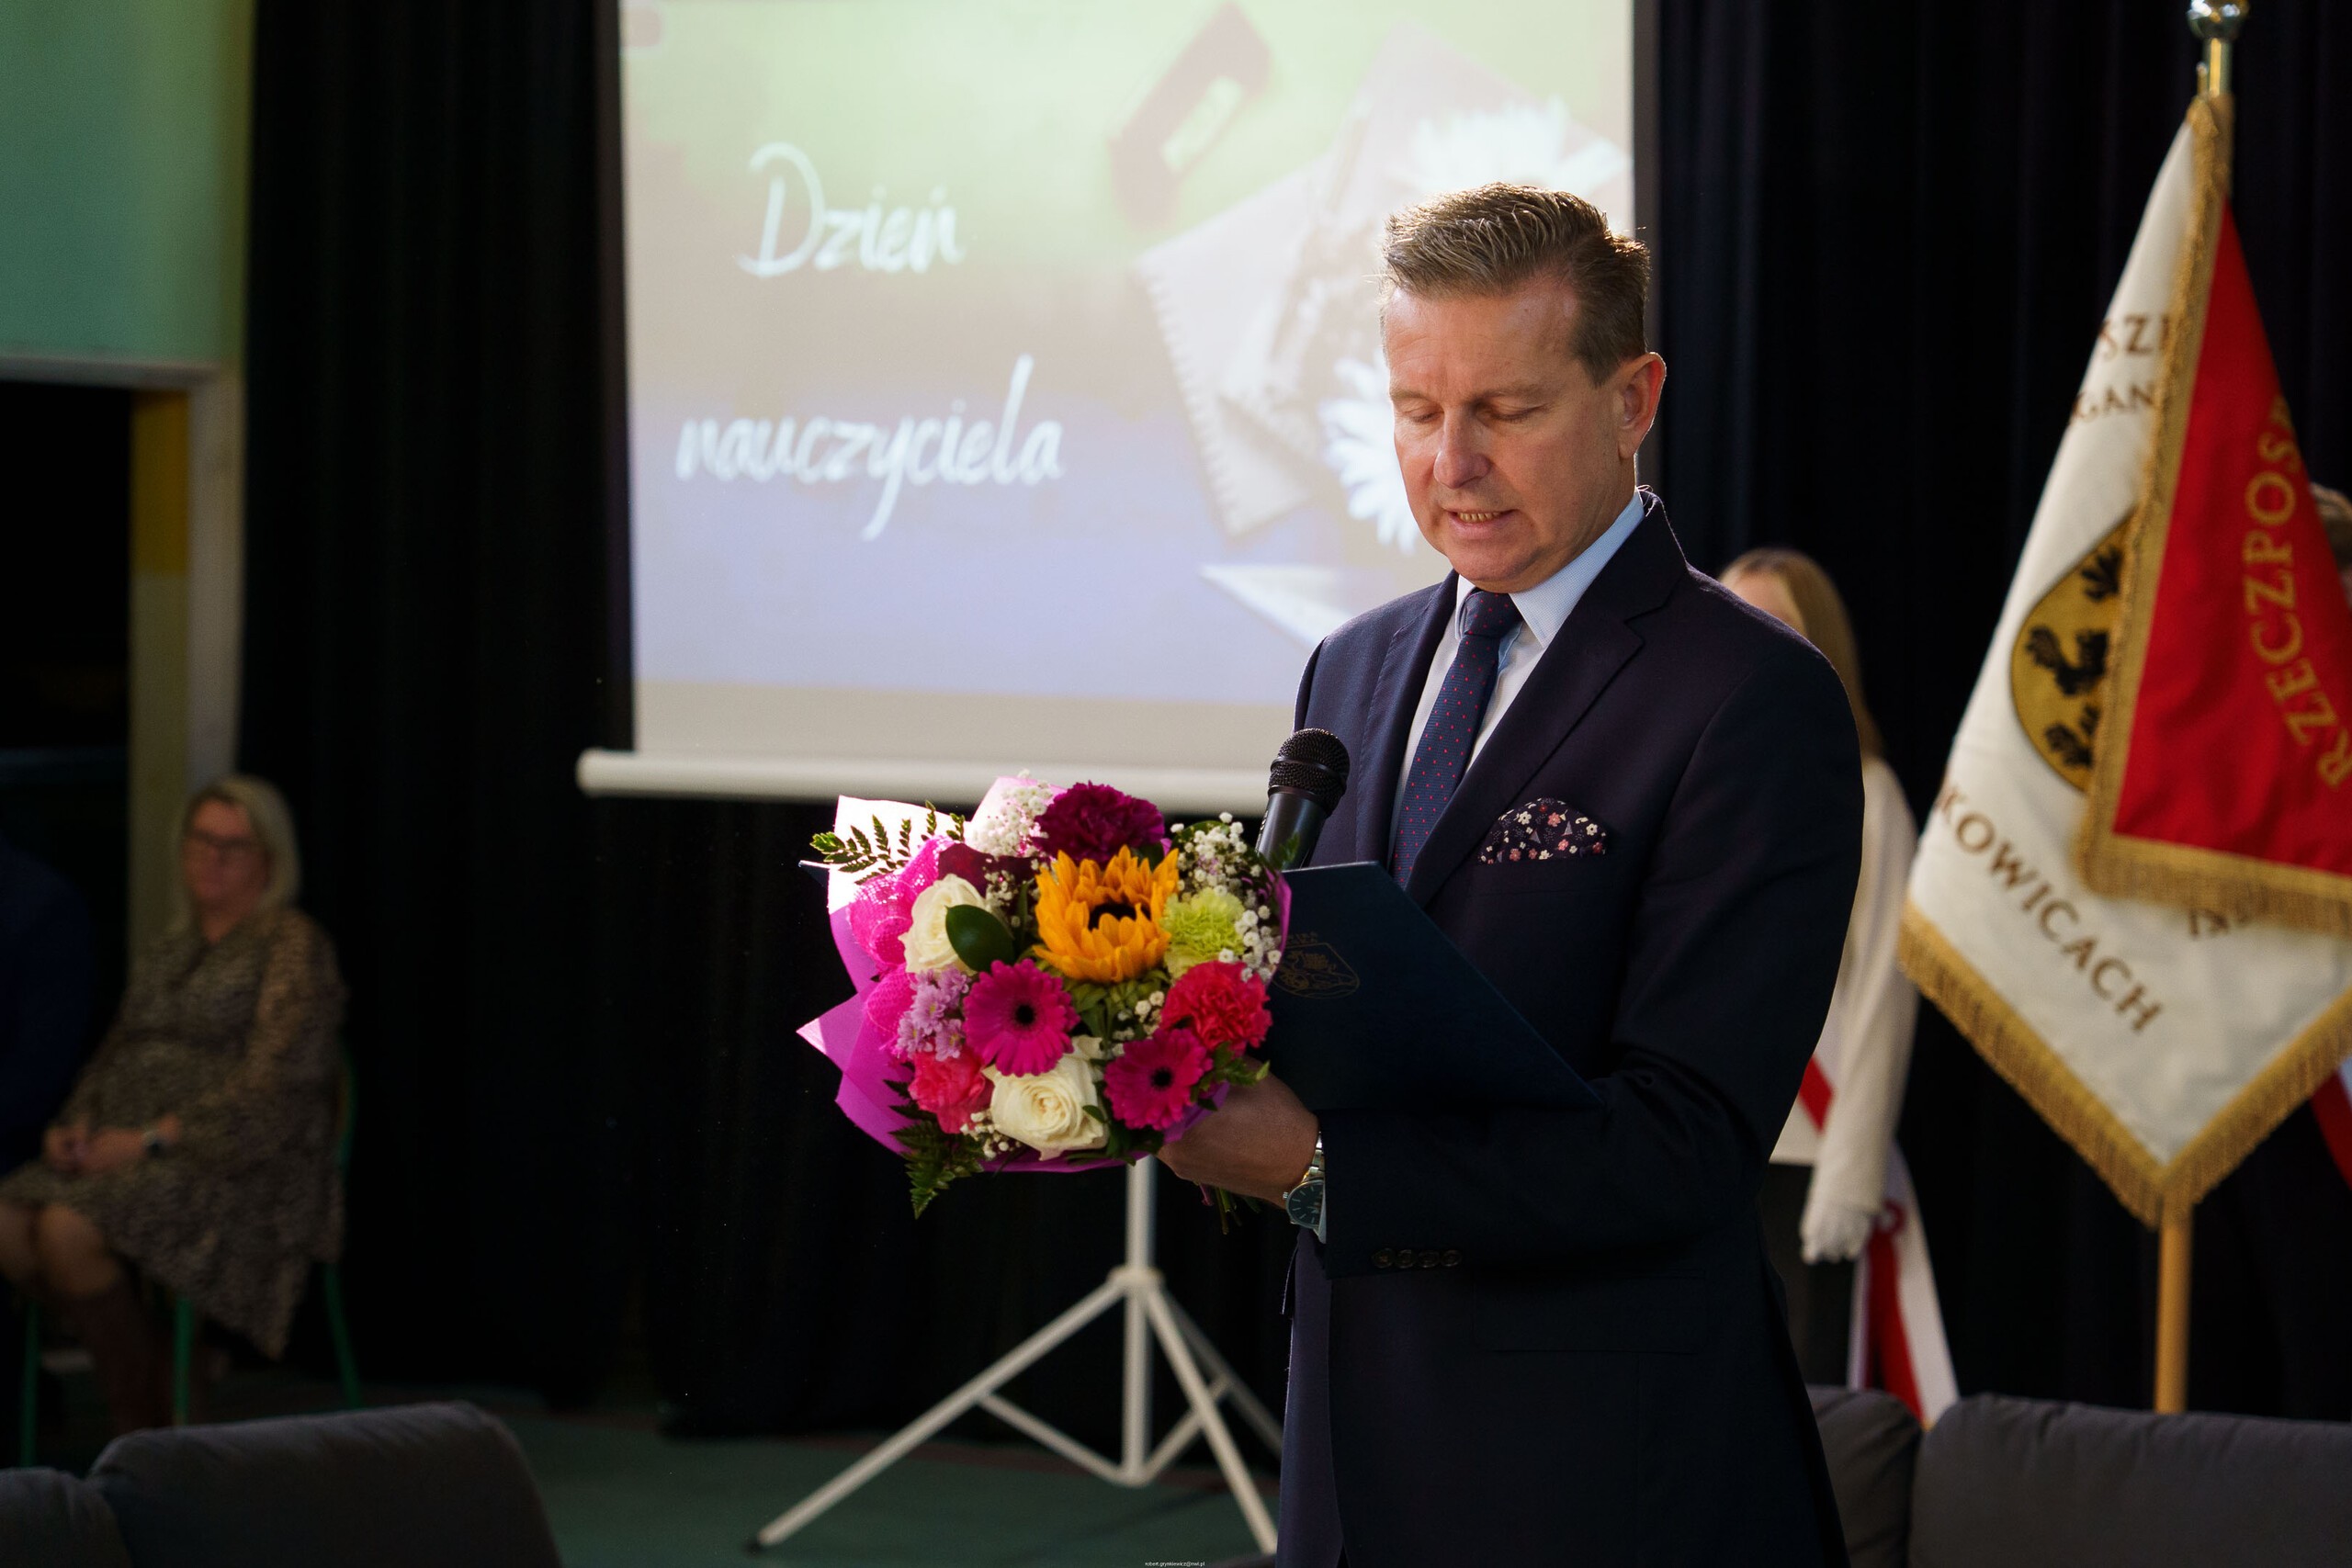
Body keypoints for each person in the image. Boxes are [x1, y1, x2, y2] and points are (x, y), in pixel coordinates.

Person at [1159, 184, 1861, 1565]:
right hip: (1350, 1457)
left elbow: (1681, 1143)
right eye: (1416, 410)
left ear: (1633, 398)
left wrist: (1316, 1163)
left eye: (1507, 410)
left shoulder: (1751, 696)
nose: (1453, 463)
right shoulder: (1349, 664)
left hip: (1603, 1475)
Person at [0, 776, 345, 1432]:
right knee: (7, 1224)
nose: (212, 858)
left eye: (233, 846)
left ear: (270, 860)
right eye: (201, 840)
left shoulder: (291, 945)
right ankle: (164, 1368)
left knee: (66, 1231)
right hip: (131, 1150)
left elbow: (275, 1086)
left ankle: (141, 1421)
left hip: (234, 1161)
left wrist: (150, 1140)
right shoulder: (170, 949)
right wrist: (73, 1127)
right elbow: (115, 1056)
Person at [1722, 547, 1918, 1383]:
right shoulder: (1689, 786)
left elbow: (1883, 999)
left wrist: (1852, 1171)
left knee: (1807, 1409)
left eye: (1773, 624)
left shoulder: (1869, 795)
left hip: (1807, 1157)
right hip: (1699, 1149)